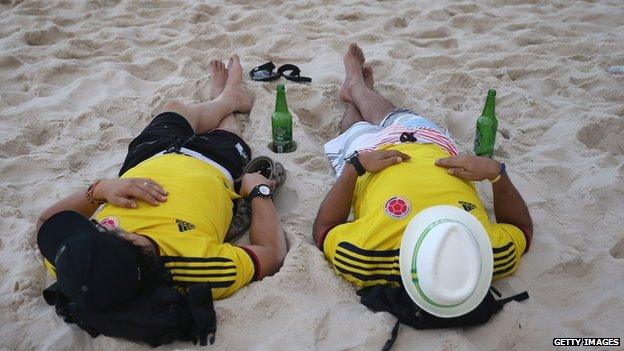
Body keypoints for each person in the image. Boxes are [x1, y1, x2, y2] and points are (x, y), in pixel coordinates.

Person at [36, 55, 287, 309]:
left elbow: (46, 223)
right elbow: (272, 254)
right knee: (227, 131)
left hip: (146, 158)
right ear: (135, 246)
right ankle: (225, 98)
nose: (106, 228)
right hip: (212, 163)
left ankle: (224, 97)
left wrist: (100, 190)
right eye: (111, 234)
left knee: (174, 108)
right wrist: (259, 191)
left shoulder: (79, 266)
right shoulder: (200, 269)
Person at [313, 44, 533, 296]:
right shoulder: (487, 254)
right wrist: (496, 173)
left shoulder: (369, 254)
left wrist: (356, 167)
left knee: (354, 130)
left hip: (369, 161)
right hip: (431, 144)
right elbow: (522, 230)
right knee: (391, 114)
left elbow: (324, 229)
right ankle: (358, 88)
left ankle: (354, 90)